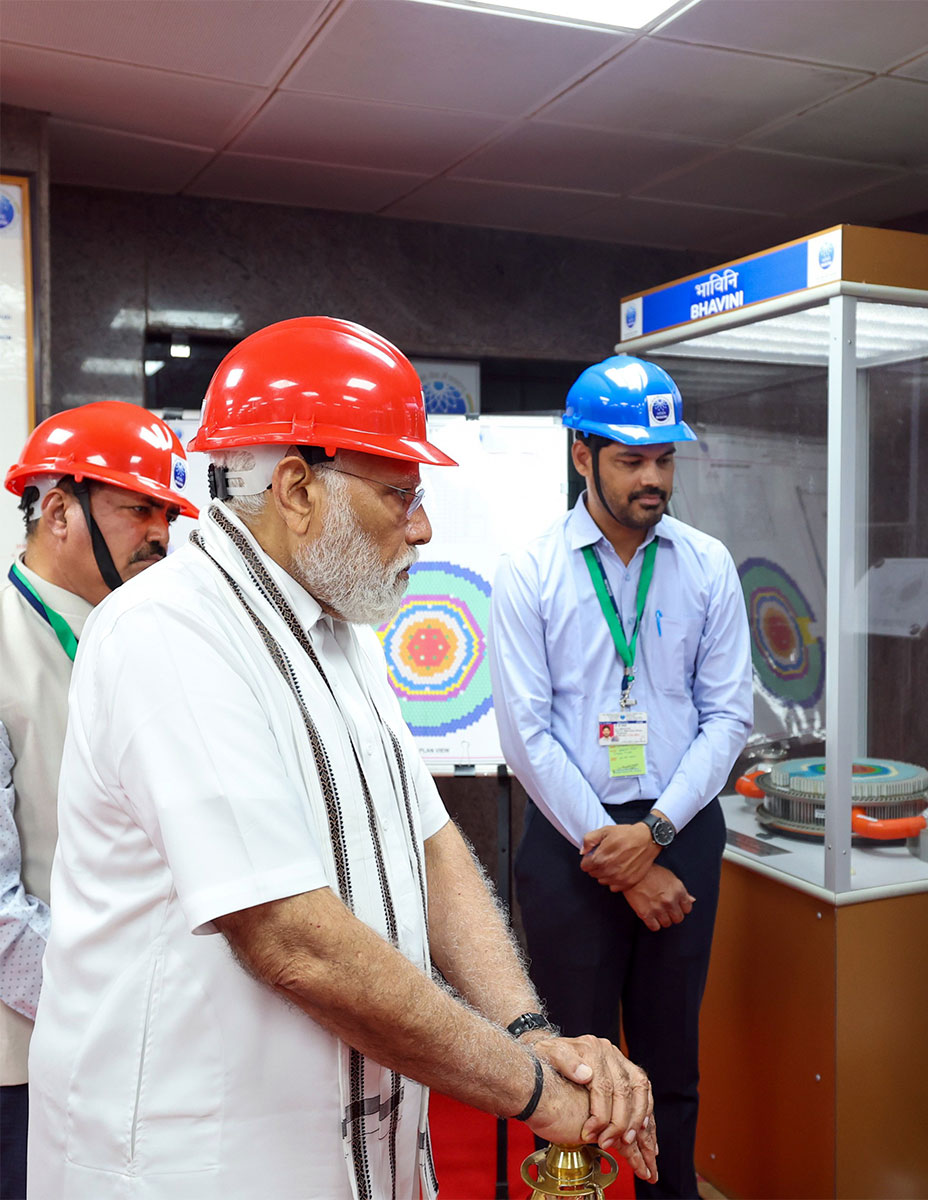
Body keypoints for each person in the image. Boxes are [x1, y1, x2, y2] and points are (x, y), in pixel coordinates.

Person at [28, 318, 658, 1200]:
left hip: (356, 1150)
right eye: (401, 494)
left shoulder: (342, 635)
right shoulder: (168, 631)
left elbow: (432, 846)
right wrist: (531, 1089)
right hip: (198, 1161)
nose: (426, 527)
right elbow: (292, 941)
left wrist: (529, 1031)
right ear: (296, 489)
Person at [491, 354, 754, 1199]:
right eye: (631, 459)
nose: (653, 478)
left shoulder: (707, 564)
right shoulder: (529, 569)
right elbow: (525, 733)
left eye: (665, 459)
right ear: (581, 455)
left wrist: (656, 838)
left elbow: (728, 717)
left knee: (672, 1063)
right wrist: (615, 853)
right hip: (572, 841)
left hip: (679, 829)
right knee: (575, 1070)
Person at [0, 401, 196, 1198]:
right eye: (136, 507)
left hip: (154, 1046)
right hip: (31, 1052)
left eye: (168, 512)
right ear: (57, 512)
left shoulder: (156, 640)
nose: (160, 532)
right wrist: (106, 1010)